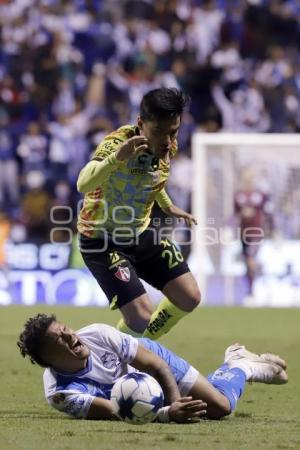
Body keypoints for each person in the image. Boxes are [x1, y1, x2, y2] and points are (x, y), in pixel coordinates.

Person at [77, 88, 201, 339]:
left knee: (189, 296)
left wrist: (167, 205)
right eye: (159, 131)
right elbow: (83, 184)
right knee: (141, 315)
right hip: (101, 240)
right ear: (141, 124)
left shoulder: (167, 144)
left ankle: (139, 348)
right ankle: (121, 355)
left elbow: (148, 180)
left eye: (173, 131)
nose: (167, 140)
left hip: (140, 234)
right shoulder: (117, 143)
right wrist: (117, 158)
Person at [18, 314, 288, 423]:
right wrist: (169, 415)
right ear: (49, 360)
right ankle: (236, 363)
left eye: (65, 329)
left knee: (221, 407)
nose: (70, 336)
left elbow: (156, 365)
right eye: (59, 340)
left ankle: (239, 364)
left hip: (152, 365)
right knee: (210, 411)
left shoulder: (99, 334)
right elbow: (114, 412)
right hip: (134, 396)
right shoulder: (61, 393)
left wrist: (175, 405)